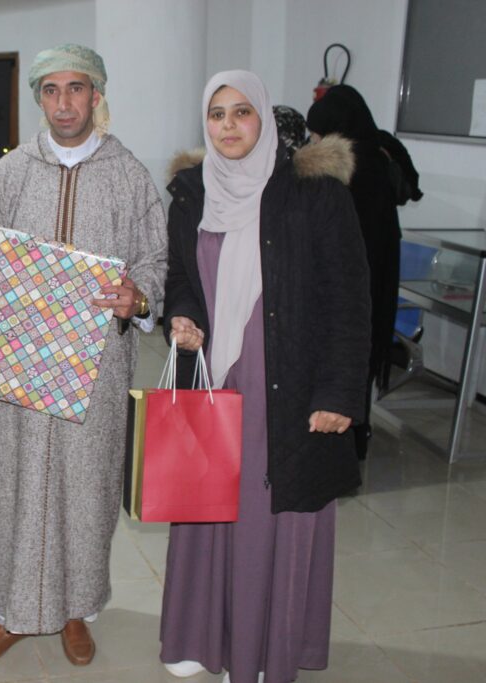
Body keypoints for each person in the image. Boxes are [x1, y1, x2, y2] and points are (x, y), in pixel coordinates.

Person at [0, 44, 168, 667]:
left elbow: (156, 258)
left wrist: (139, 296)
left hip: (96, 369)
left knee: (87, 491)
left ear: (96, 95)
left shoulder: (128, 176)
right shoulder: (10, 173)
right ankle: (12, 612)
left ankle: (77, 611)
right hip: (19, 366)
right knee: (14, 487)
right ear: (39, 99)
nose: (65, 102)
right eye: (51, 90)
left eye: (76, 88)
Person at [159, 71, 370, 683]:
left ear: (265, 119)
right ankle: (200, 637)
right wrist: (184, 316)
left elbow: (349, 299)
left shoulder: (314, 194)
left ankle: (258, 653)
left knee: (264, 513)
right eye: (217, 114)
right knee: (206, 505)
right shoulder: (192, 192)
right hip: (214, 378)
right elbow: (182, 276)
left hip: (288, 384)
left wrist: (339, 393)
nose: (228, 125)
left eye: (241, 111)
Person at [307, 84, 410, 457]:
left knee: (347, 353)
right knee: (361, 355)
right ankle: (357, 434)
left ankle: (348, 441)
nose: (314, 143)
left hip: (353, 277)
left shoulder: (350, 166)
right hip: (377, 274)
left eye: (318, 135)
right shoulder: (381, 150)